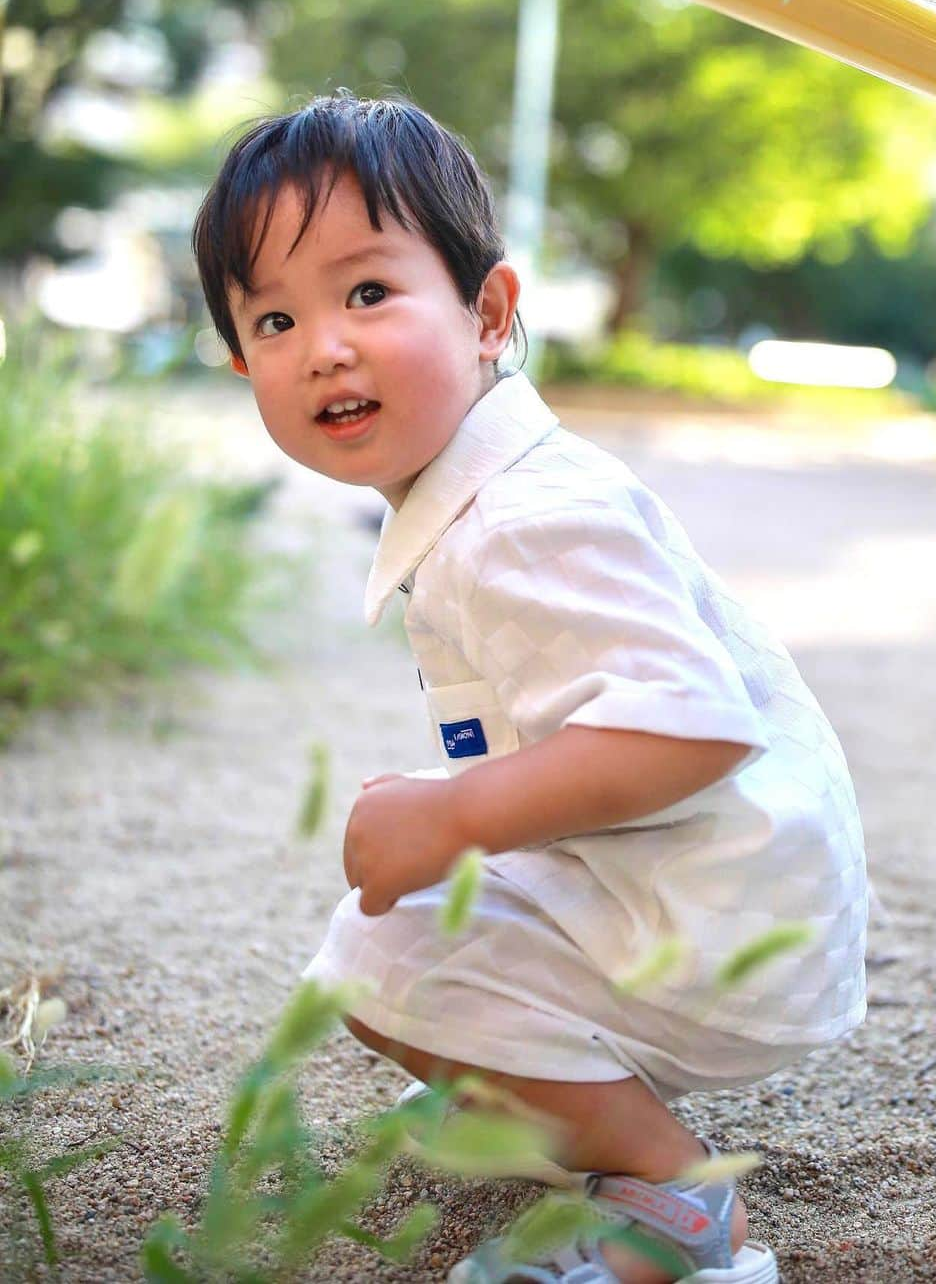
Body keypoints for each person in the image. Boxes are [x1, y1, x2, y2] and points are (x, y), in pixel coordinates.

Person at [192, 89, 868, 1284]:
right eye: (277, 318)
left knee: (381, 958)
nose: (326, 346)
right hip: (684, 877)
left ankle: (674, 1203)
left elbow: (690, 730)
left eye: (367, 292)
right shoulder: (479, 496)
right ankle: (555, 1093)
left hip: (720, 916)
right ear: (244, 361)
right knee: (411, 935)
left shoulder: (526, 520)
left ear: (489, 311)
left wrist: (451, 815)